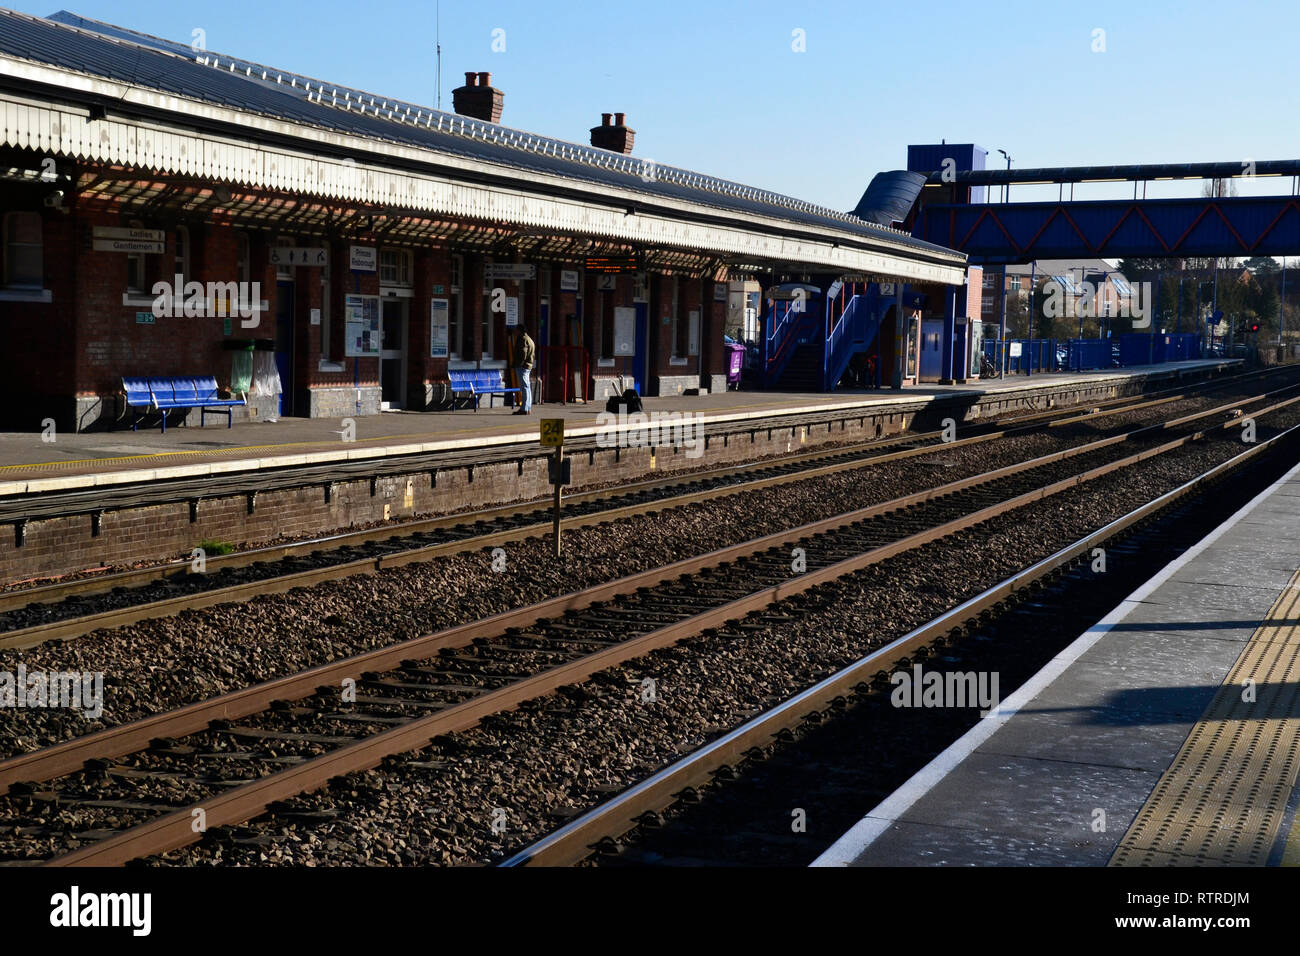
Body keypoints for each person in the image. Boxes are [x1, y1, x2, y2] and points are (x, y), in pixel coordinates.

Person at [513, 325, 535, 415]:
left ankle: (524, 409)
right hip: (528, 366)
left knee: (524, 387)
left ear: (519, 330)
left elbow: (523, 353)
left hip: (523, 367)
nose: (515, 332)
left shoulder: (523, 339)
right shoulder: (529, 339)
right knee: (527, 387)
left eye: (516, 330)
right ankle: (528, 407)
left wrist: (519, 364)